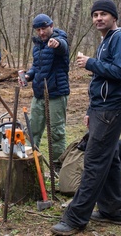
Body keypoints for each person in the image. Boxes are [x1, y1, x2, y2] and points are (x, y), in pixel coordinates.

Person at [51, 0, 121, 235]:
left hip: (111, 109)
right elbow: (102, 80)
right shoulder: (107, 40)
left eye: (103, 14)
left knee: (94, 161)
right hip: (102, 109)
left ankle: (76, 218)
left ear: (114, 17)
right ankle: (113, 211)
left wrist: (91, 63)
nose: (98, 18)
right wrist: (91, 110)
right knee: (109, 160)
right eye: (95, 15)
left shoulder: (119, 38)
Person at [20, 14, 69, 170]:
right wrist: (27, 75)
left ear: (51, 27)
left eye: (44, 29)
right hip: (39, 94)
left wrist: (57, 43)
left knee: (56, 132)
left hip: (56, 94)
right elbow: (36, 67)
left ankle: (57, 168)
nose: (41, 33)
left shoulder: (59, 40)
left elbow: (63, 47)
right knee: (32, 130)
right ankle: (30, 163)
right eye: (38, 30)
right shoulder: (38, 46)